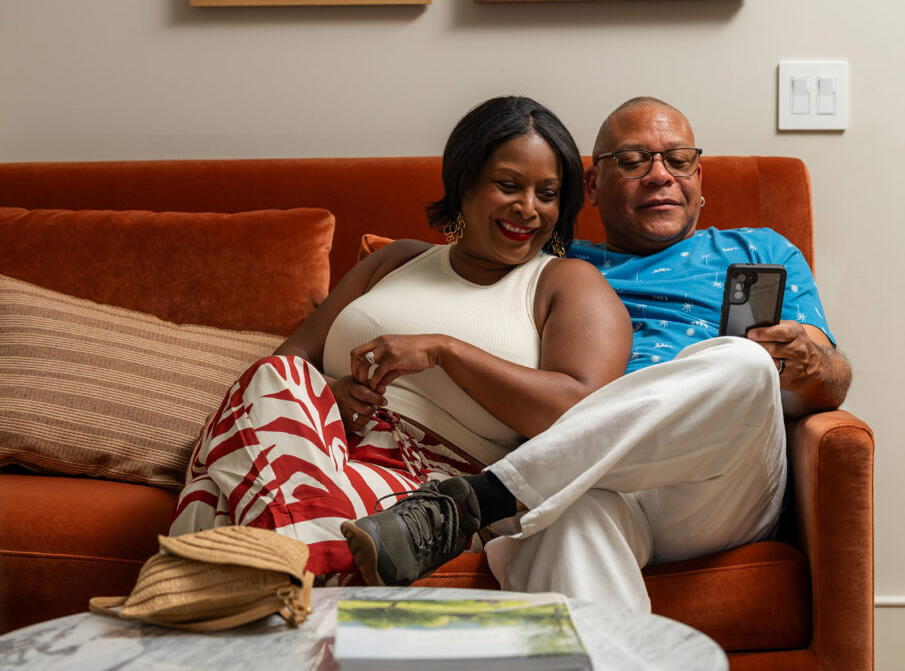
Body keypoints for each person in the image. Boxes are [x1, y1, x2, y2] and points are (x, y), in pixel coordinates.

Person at [342, 96, 852, 610]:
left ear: (700, 178)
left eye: (678, 160)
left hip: (716, 483)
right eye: (632, 161)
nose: (660, 176)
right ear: (590, 187)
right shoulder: (541, 266)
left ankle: (484, 497)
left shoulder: (760, 250)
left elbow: (832, 383)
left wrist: (808, 363)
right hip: (591, 487)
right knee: (566, 529)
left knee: (742, 362)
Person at [169, 95, 631, 587]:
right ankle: (315, 565)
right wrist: (332, 394)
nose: (528, 208)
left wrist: (443, 350)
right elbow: (288, 364)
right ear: (464, 182)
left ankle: (264, 583)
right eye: (508, 185)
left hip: (427, 496)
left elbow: (581, 415)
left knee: (216, 500)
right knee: (278, 377)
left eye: (548, 193)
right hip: (313, 444)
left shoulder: (566, 282)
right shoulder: (396, 261)